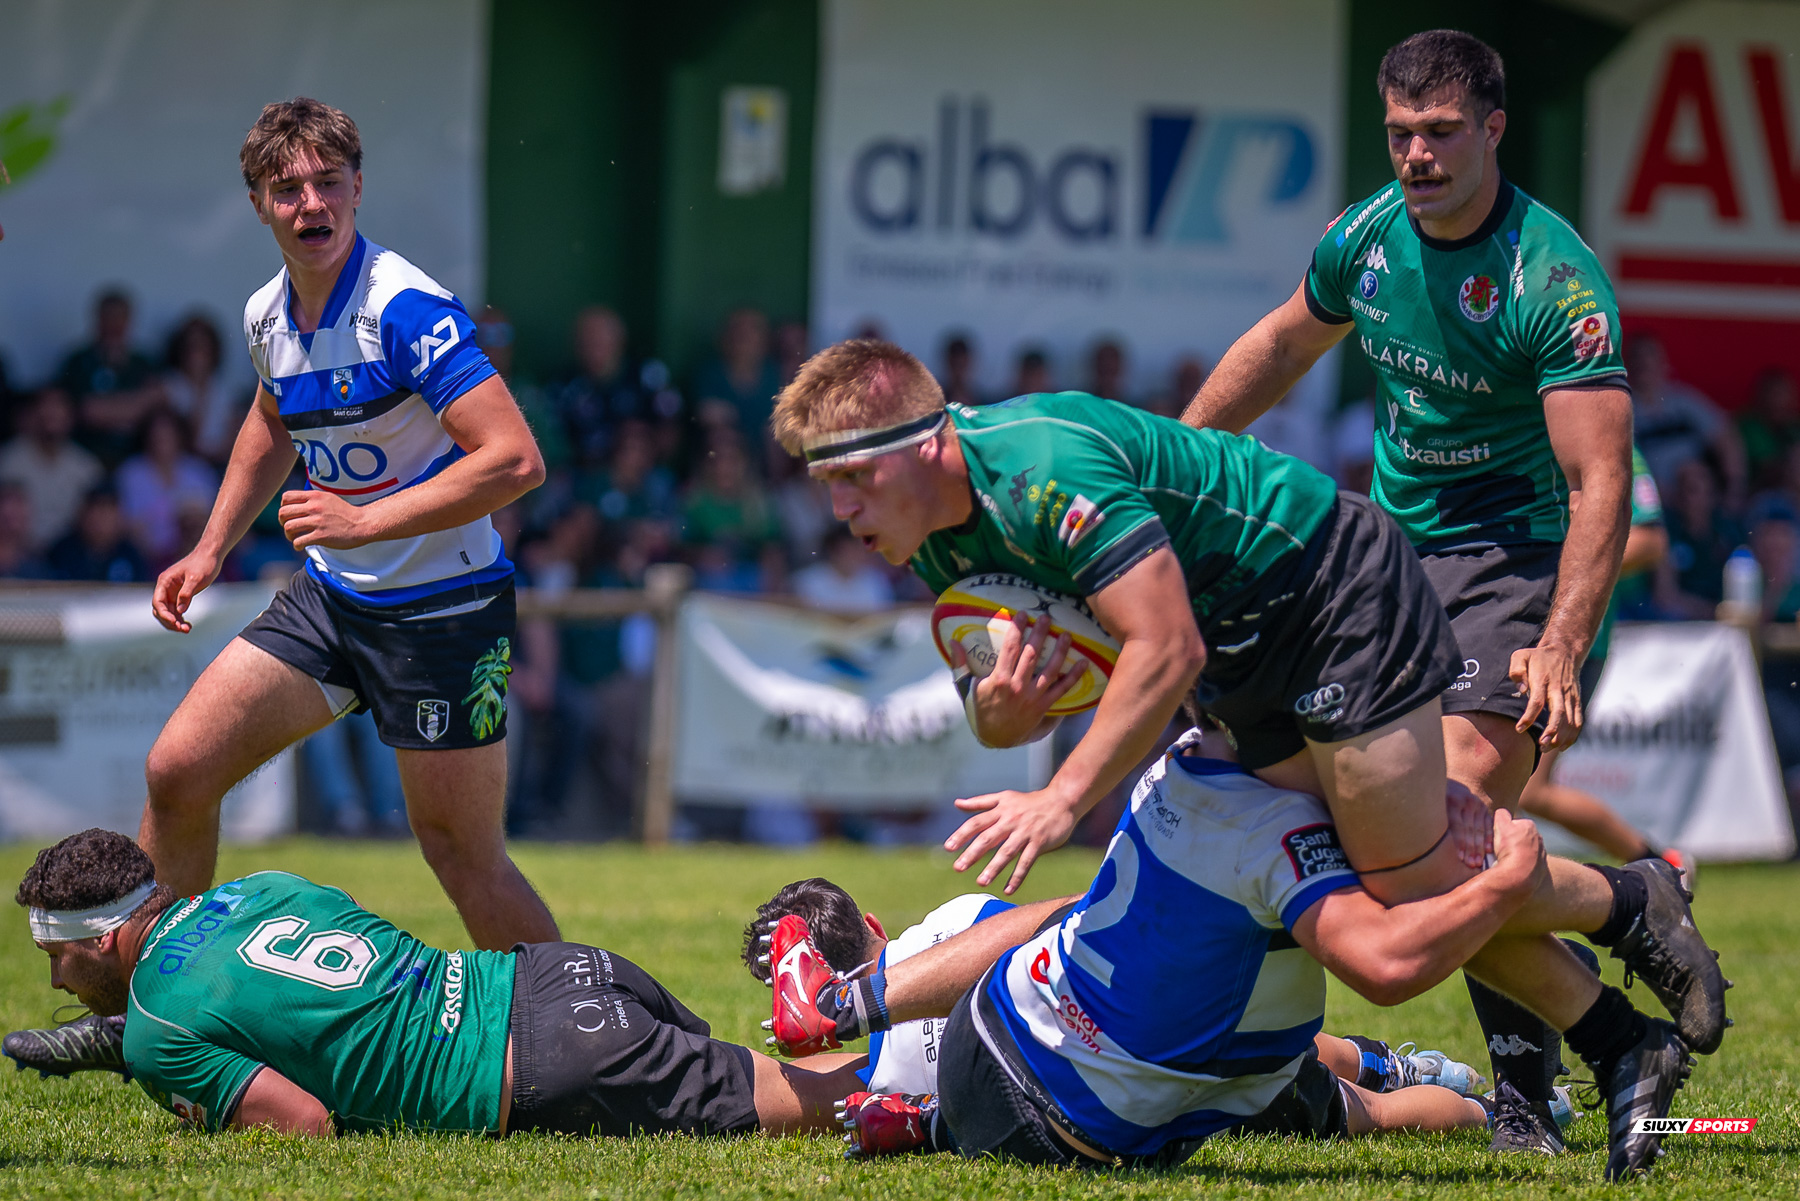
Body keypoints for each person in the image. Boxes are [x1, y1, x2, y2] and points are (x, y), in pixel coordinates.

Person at [770, 332, 1719, 1178]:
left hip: (1328, 591)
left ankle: (1629, 909)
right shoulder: (930, 539)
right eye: (822, 482)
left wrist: (1061, 799)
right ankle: (1623, 1021)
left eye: (850, 475)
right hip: (1243, 653)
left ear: (926, 443)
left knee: (1407, 886)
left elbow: (1164, 646)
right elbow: (994, 708)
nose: (837, 506)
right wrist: (1007, 710)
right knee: (1405, 876)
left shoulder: (1039, 472)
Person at [1176, 30, 1721, 1139]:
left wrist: (1563, 639)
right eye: (1398, 135)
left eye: (1438, 133)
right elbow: (1282, 346)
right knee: (1404, 847)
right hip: (1392, 563)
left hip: (1521, 567)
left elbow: (1600, 484)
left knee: (1453, 814)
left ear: (1493, 131)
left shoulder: (1552, 282)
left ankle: (1552, 1064)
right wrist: (1168, 467)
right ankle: (1626, 916)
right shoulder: (1366, 238)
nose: (1415, 156)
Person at [761, 725, 1687, 1176]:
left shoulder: (1191, 775)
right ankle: (1492, 1096)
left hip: (1001, 1077)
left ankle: (1493, 1104)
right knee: (1316, 1075)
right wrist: (1495, 883)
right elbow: (1389, 964)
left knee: (1285, 1057)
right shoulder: (1273, 828)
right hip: (1121, 1083)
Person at [99, 97, 558, 980]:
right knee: (179, 771)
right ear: (258, 204)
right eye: (287, 188)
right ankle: (146, 1011)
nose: (311, 204)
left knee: (463, 858)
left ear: (356, 188)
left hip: (442, 610)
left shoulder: (407, 309)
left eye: (327, 183)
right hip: (334, 598)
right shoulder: (267, 314)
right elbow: (272, 419)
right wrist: (211, 546)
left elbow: (514, 460)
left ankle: (600, 1036)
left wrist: (364, 519)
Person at [5, 828, 864, 1142]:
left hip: (546, 1061)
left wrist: (186, 1101)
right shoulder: (258, 885)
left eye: (59, 954)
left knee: (838, 1103)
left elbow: (303, 1124)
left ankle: (956, 1042)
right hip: (558, 971)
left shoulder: (158, 1028)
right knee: (775, 1079)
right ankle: (868, 1004)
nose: (54, 976)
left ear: (110, 937)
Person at [743, 873, 1488, 1117]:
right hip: (1159, 995)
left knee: (1374, 1121)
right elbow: (1077, 916)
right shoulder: (956, 918)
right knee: (1292, 1048)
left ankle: (1494, 1109)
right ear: (871, 922)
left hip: (1143, 1086)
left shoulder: (883, 1083)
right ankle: (1402, 1062)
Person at [1518, 448, 1687, 873]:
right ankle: (1659, 866)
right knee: (1520, 790)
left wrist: (1564, 570)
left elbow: (1651, 541)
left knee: (1527, 790)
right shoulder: (1514, 430)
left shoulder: (1611, 444)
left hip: (1575, 645)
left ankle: (1657, 866)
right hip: (1510, 635)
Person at [1629, 333, 1745, 503]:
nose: (1644, 363)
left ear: (1664, 364)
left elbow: (1725, 438)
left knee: (1695, 481)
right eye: (1638, 358)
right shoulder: (1623, 407)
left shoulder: (1683, 401)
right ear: (1628, 365)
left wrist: (1734, 488)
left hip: (1697, 492)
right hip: (1649, 498)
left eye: (1650, 357)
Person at [58, 290, 164, 468]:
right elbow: (87, 411)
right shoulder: (77, 361)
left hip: (136, 458)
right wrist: (136, 405)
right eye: (109, 316)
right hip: (86, 455)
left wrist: (109, 407)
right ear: (96, 319)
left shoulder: (144, 362)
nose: (114, 324)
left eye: (120, 317)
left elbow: (158, 404)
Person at [0, 387, 105, 551]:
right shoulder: (8, 460)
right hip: (17, 555)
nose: (51, 414)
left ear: (70, 417)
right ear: (33, 414)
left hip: (70, 556)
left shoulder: (86, 467)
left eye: (58, 408)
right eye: (46, 408)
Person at [115, 409, 219, 568]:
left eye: (168, 434)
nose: (162, 438)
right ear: (147, 437)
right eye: (156, 434)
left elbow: (215, 521)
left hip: (197, 556)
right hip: (144, 560)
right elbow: (124, 524)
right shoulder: (131, 474)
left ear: (180, 436)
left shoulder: (199, 472)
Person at [161, 316, 246, 465]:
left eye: (203, 346)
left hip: (221, 465)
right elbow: (189, 441)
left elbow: (233, 439)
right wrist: (198, 387)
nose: (197, 354)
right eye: (192, 346)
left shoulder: (224, 390)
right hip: (182, 465)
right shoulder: (169, 386)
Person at [46, 486, 147, 583]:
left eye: (108, 513)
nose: (102, 520)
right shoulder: (61, 553)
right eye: (98, 511)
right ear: (83, 514)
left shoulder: (132, 556)